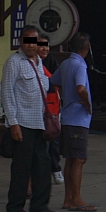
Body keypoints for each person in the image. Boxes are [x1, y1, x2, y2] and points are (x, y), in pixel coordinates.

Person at [0, 24, 61, 212]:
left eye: (34, 41)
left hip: (40, 123)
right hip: (23, 123)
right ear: (20, 42)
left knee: (42, 167)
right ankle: (15, 208)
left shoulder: (38, 62)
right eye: (27, 41)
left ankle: (39, 206)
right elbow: (7, 93)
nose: (31, 45)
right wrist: (13, 123)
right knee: (21, 168)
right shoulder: (14, 62)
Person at [52, 32, 96, 212]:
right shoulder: (79, 66)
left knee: (71, 159)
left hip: (67, 116)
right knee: (79, 159)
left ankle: (68, 199)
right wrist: (87, 105)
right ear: (87, 48)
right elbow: (80, 88)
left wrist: (66, 96)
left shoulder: (66, 63)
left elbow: (53, 81)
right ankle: (76, 198)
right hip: (78, 118)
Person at [37, 35, 64, 185]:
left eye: (46, 46)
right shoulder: (31, 63)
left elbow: (57, 82)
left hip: (53, 107)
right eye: (41, 45)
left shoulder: (51, 61)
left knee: (54, 138)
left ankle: (55, 168)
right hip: (37, 109)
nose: (44, 49)